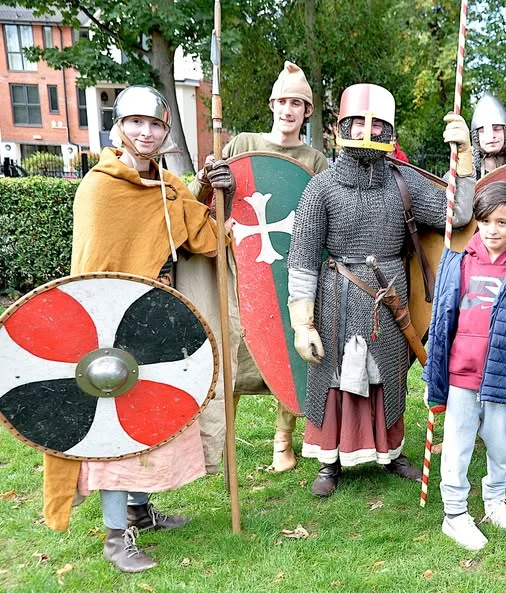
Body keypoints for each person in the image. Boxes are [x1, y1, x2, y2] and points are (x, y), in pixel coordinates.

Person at [46, 85, 235, 572]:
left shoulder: (169, 187)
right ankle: (115, 538)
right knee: (113, 432)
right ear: (119, 126)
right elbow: (93, 271)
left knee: (150, 422)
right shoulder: (100, 186)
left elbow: (209, 239)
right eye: (135, 123)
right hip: (109, 332)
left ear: (166, 131)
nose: (145, 133)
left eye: (154, 124)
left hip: (155, 325)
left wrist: (216, 189)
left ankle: (139, 509)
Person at [286, 83, 475, 497]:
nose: (367, 132)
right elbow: (301, 259)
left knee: (388, 375)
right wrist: (303, 323)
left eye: (377, 126)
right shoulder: (321, 188)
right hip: (338, 293)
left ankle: (392, 452)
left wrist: (464, 156)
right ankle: (330, 461)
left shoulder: (401, 182)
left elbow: (457, 215)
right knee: (334, 377)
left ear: (391, 134)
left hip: (391, 293)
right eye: (358, 124)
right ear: (341, 128)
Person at [188, 61, 329, 474]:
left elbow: (322, 215)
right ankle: (222, 440)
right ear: (272, 105)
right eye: (283, 101)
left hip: (291, 270)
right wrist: (206, 179)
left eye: (297, 104)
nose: (289, 110)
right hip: (239, 267)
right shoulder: (242, 144)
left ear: (307, 112)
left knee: (288, 349)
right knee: (231, 347)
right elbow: (203, 204)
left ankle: (282, 440)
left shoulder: (315, 160)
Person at [422, 180, 506, 550]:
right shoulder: (458, 262)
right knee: (458, 443)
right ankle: (455, 514)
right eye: (485, 221)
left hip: (503, 373)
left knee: (499, 445)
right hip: (461, 372)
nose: (492, 230)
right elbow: (443, 318)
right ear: (477, 221)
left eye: (501, 222)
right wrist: (435, 366)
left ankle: (495, 498)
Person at [471, 93, 506, 178]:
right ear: (476, 137)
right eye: (483, 131)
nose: (491, 136)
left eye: (497, 129)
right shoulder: (466, 174)